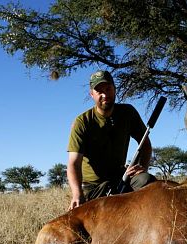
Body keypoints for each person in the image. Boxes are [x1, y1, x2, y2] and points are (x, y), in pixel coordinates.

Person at [67, 70, 156, 210]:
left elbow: (145, 145)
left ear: (115, 89)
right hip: (95, 187)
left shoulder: (128, 112)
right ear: (92, 94)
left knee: (147, 181)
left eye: (108, 89)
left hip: (121, 177)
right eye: (99, 91)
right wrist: (77, 194)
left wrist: (142, 167)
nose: (104, 95)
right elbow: (74, 163)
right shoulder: (82, 122)